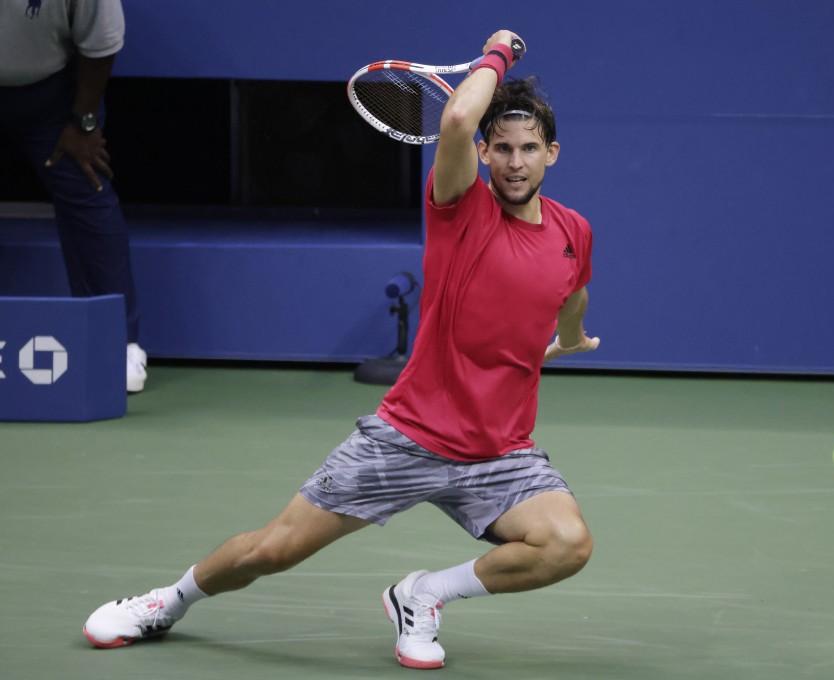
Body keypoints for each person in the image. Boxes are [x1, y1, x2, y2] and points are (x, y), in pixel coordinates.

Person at [82, 29, 599, 669]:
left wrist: (570, 338)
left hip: (500, 451)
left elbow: (571, 291)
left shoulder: (574, 232)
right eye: (502, 149)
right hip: (408, 436)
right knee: (272, 550)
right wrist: (498, 52)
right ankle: (167, 601)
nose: (516, 162)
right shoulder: (461, 206)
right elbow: (460, 115)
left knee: (566, 544)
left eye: (529, 149)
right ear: (483, 154)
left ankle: (424, 595)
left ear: (552, 153)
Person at [0, 0, 147, 392]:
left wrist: (84, 123)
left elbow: (100, 42)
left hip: (52, 96)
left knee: (87, 183)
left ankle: (116, 343)